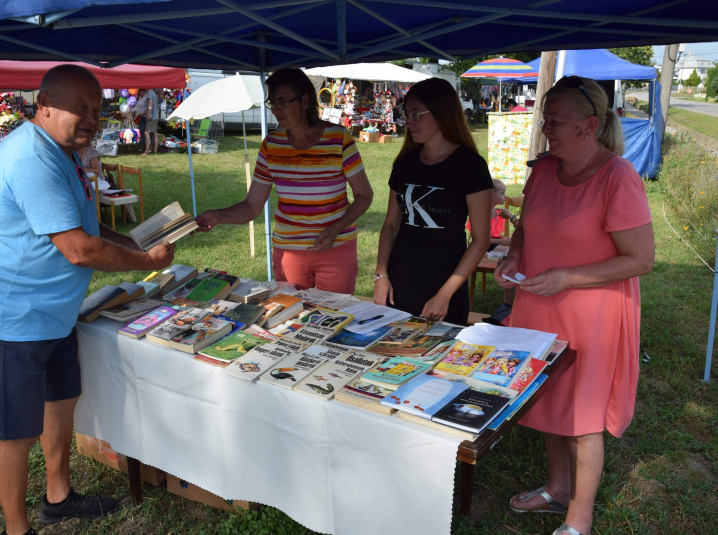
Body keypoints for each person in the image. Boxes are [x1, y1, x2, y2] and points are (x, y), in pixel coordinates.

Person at [0, 64, 175, 535]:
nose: (91, 119)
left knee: (62, 400)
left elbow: (88, 228)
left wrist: (138, 243)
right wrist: (147, 262)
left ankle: (57, 496)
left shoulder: (64, 152)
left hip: (53, 312)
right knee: (16, 433)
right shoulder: (30, 159)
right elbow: (79, 250)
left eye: (97, 111)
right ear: (45, 105)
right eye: (80, 108)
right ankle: (17, 530)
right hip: (11, 315)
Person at [494, 76, 654, 535]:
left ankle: (578, 521)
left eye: (556, 121)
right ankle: (558, 488)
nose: (546, 128)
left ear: (589, 125)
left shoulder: (617, 177)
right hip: (540, 303)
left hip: (593, 312)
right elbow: (527, 223)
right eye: (545, 118)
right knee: (548, 396)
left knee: (583, 414)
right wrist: (515, 255)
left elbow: (640, 259)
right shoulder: (544, 168)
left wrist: (568, 277)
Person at [195, 68, 374, 294]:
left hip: (336, 248)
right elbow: (252, 206)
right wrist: (218, 216)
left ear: (305, 100)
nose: (276, 110)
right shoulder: (271, 145)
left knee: (336, 316)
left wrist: (336, 228)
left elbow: (365, 195)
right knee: (290, 315)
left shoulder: (338, 138)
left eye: (283, 102)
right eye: (272, 103)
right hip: (289, 252)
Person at [373, 77, 493, 325]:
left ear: (441, 112)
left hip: (445, 290)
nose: (409, 122)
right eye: (407, 114)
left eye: (417, 114)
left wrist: (445, 294)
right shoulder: (406, 162)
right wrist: (381, 275)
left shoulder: (470, 166)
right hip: (398, 287)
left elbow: (481, 241)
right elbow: (391, 226)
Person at [77, 144, 137, 222]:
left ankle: (92, 219)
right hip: (88, 180)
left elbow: (96, 170)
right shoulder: (76, 152)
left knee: (87, 192)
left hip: (99, 182)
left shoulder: (91, 152)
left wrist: (82, 169)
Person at [142, 89, 160, 155]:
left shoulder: (149, 93)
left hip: (151, 117)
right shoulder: (154, 94)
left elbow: (150, 104)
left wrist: (149, 114)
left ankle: (146, 151)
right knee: (154, 133)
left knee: (146, 133)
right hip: (156, 116)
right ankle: (155, 149)